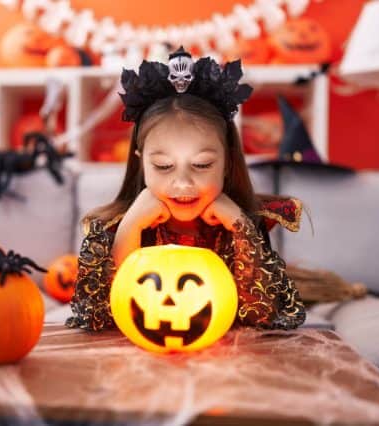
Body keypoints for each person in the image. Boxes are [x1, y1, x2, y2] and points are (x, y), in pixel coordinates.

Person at [66, 47, 306, 332]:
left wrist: (242, 228)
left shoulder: (246, 224)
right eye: (164, 166)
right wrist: (129, 228)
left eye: (202, 165)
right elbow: (104, 317)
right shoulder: (113, 227)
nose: (183, 183)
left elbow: (261, 316)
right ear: (142, 163)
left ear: (227, 162)